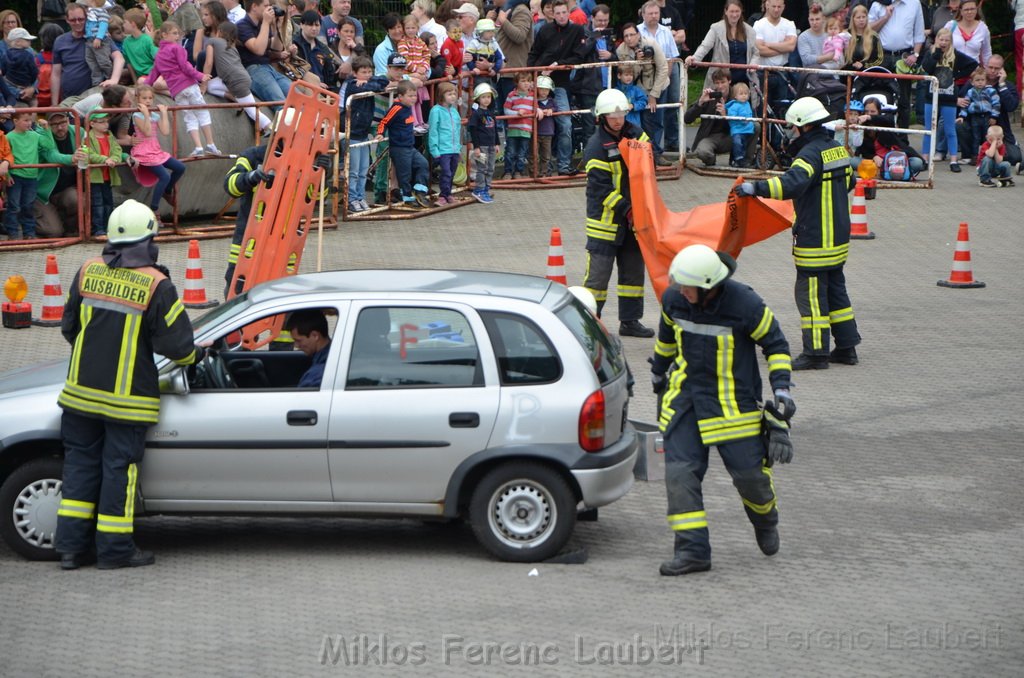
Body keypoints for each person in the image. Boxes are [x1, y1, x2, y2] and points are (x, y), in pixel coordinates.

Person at [55, 200, 203, 571]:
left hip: (79, 395)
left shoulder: (87, 270)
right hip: (127, 404)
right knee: (118, 471)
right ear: (149, 240)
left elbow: (69, 327)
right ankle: (115, 550)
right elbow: (178, 348)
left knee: (79, 468)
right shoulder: (158, 284)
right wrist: (198, 357)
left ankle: (71, 550)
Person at [650, 244, 795, 576]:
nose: (681, 292)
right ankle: (692, 551)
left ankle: (765, 519)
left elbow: (776, 344)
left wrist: (783, 389)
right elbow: (666, 340)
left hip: (734, 405)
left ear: (708, 287)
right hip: (686, 401)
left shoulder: (745, 304)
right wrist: (658, 373)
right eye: (679, 285)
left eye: (688, 287)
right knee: (679, 474)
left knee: (750, 478)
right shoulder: (675, 300)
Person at [736, 97, 860, 370]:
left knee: (811, 296)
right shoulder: (836, 149)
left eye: (793, 126)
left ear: (804, 126)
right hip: (838, 237)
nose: (792, 131)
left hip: (815, 237)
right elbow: (850, 181)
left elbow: (791, 184)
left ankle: (816, 354)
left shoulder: (809, 155)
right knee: (837, 291)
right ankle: (847, 348)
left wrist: (754, 189)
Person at [582, 88, 654, 338]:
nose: (617, 118)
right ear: (602, 117)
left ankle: (630, 322)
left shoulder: (636, 134)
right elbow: (601, 190)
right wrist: (627, 209)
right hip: (606, 222)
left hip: (634, 220)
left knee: (633, 273)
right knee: (598, 279)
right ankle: (590, 324)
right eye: (612, 115)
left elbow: (647, 165)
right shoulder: (596, 147)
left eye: (621, 113)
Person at [527, 0, 589, 176]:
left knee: (565, 123)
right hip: (539, 80)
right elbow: (533, 53)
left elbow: (579, 56)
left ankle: (563, 165)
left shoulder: (577, 30)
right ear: (552, 14)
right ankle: (533, 167)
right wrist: (530, 77)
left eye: (564, 12)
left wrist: (557, 65)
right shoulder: (545, 30)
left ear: (569, 12)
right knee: (530, 121)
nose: (561, 16)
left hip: (560, 83)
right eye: (558, 13)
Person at [142, 20, 220, 157]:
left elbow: (154, 74)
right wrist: (200, 76)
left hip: (177, 91)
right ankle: (210, 144)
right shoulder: (177, 48)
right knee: (202, 112)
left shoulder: (159, 55)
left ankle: (198, 147)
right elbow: (185, 66)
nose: (177, 36)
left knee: (189, 117)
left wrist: (143, 86)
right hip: (189, 85)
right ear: (164, 35)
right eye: (174, 33)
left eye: (178, 33)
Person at [4, 111, 73, 241]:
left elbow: (49, 145)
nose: (29, 123)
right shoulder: (9, 137)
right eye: (25, 120)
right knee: (13, 206)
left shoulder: (35, 135)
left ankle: (29, 233)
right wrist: (7, 175)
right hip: (16, 177)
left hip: (31, 177)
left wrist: (46, 130)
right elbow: (5, 156)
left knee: (28, 205)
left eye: (30, 120)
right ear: (15, 121)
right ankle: (12, 234)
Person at [920, 27, 976, 169]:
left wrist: (955, 76)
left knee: (950, 128)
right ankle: (925, 158)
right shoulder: (930, 53)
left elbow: (972, 64)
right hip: (931, 95)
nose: (944, 42)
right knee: (928, 128)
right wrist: (936, 54)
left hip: (949, 96)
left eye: (947, 40)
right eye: (941, 39)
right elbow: (927, 67)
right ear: (937, 40)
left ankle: (953, 160)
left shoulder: (955, 55)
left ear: (951, 42)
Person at [616, 22, 670, 167]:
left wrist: (654, 95)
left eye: (632, 34)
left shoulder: (651, 43)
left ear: (638, 34)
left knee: (658, 120)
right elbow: (628, 77)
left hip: (659, 85)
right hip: (640, 89)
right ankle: (650, 154)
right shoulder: (621, 50)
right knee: (646, 122)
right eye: (626, 36)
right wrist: (637, 62)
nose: (629, 38)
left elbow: (663, 68)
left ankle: (656, 155)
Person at [206, 21, 273, 135]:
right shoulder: (232, 47)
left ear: (220, 32)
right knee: (211, 86)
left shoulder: (212, 41)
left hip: (235, 81)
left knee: (251, 109)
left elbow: (208, 63)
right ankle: (235, 98)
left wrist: (203, 82)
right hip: (243, 77)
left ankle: (269, 127)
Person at [52, 2, 126, 103]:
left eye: (81, 19)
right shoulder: (60, 41)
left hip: (94, 95)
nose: (77, 23)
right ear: (67, 20)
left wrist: (114, 80)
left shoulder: (99, 37)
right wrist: (54, 103)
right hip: (68, 97)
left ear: (87, 18)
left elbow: (119, 58)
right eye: (73, 20)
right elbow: (56, 74)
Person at [340, 55, 387, 213]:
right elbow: (369, 88)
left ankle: (360, 197)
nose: (367, 74)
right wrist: (369, 83)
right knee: (353, 170)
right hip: (353, 133)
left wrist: (369, 80)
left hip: (363, 133)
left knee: (363, 170)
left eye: (369, 71)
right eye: (363, 72)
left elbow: (383, 82)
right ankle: (352, 199)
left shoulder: (368, 81)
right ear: (355, 73)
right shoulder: (353, 85)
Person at [130, 84, 186, 216]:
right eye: (144, 98)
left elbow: (165, 131)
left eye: (150, 98)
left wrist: (164, 114)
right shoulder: (137, 115)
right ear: (137, 99)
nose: (148, 101)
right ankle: (154, 209)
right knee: (164, 176)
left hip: (155, 149)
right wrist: (145, 114)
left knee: (180, 168)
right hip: (143, 151)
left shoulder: (153, 114)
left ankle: (166, 191)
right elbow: (147, 132)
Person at [868, 0, 925, 131]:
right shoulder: (878, 3)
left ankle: (902, 139)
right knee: (881, 97)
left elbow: (919, 33)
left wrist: (915, 55)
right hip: (882, 56)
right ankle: (881, 136)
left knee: (904, 100)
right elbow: (868, 29)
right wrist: (885, 17)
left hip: (904, 57)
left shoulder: (915, 3)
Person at [375, 80, 432, 208]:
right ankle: (407, 197)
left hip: (409, 147)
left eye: (415, 96)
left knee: (423, 164)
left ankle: (420, 190)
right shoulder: (396, 108)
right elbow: (384, 122)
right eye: (410, 96)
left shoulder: (408, 108)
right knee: (404, 174)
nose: (413, 99)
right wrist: (380, 133)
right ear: (400, 96)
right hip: (399, 148)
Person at [684, 68, 755, 168]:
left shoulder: (739, 94)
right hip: (710, 137)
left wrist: (726, 115)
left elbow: (750, 117)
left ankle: (744, 160)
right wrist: (700, 102)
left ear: (729, 81)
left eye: (723, 82)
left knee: (755, 125)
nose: (720, 86)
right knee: (702, 152)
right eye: (717, 83)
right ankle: (711, 160)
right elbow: (687, 119)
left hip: (733, 134)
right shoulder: (709, 95)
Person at [685, 0, 757, 93]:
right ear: (726, 11)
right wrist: (694, 58)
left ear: (741, 11)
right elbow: (705, 46)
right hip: (721, 79)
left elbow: (756, 52)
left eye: (737, 11)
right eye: (732, 11)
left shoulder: (750, 30)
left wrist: (753, 65)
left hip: (744, 80)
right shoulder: (716, 28)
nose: (734, 15)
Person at [638, 1, 681, 154]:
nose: (654, 16)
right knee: (643, 118)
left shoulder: (666, 32)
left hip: (662, 80)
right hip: (641, 82)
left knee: (659, 118)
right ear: (643, 14)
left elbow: (671, 59)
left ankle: (657, 152)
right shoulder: (636, 32)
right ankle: (643, 151)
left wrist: (662, 82)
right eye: (650, 13)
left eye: (656, 13)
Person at [237, 0, 294, 112]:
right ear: (254, 6)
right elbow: (258, 49)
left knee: (298, 97)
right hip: (254, 70)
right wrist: (266, 23)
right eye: (266, 6)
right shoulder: (241, 25)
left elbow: (276, 47)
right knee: (280, 103)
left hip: (269, 68)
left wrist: (277, 27)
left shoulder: (262, 24)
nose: (270, 9)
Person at [84, 111, 131, 237]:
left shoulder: (109, 135)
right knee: (97, 203)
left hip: (108, 175)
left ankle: (109, 227)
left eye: (106, 121)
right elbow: (89, 154)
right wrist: (104, 159)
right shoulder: (87, 137)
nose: (106, 125)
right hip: (95, 177)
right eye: (102, 122)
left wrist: (115, 159)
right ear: (92, 123)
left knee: (108, 202)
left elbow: (117, 150)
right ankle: (98, 229)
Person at [751, 0, 797, 115]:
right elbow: (760, 50)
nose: (776, 9)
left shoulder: (789, 24)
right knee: (763, 110)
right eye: (774, 6)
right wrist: (782, 47)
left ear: (783, 7)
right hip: (763, 72)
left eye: (779, 7)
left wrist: (769, 44)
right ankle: (764, 134)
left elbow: (791, 47)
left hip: (782, 71)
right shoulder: (759, 24)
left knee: (780, 110)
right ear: (767, 5)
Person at [496, 0, 534, 121]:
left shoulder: (521, 10)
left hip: (513, 73)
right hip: (504, 71)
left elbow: (520, 36)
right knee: (504, 115)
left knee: (513, 117)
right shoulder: (510, 9)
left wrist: (503, 21)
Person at [427, 81, 462, 205]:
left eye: (454, 94)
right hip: (443, 149)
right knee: (445, 172)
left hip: (454, 149)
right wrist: (434, 149)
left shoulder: (454, 111)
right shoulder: (436, 111)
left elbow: (458, 130)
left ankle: (448, 194)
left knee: (452, 172)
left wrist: (459, 148)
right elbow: (433, 131)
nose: (453, 96)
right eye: (449, 94)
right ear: (441, 95)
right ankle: (442, 195)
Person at [957, 67, 999, 163]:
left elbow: (996, 104)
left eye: (982, 80)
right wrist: (962, 116)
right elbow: (965, 105)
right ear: (972, 82)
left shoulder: (990, 91)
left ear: (986, 81)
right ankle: (975, 156)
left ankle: (987, 155)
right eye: (977, 80)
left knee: (987, 136)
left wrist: (994, 116)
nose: (980, 82)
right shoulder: (970, 92)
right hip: (975, 117)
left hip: (987, 117)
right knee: (976, 137)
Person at [467, 82, 498, 202]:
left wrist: (496, 143)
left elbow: (494, 129)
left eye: (488, 97)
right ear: (478, 99)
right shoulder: (476, 114)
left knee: (490, 168)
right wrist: (477, 147)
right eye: (483, 97)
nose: (486, 100)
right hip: (482, 146)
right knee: (482, 168)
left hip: (491, 145)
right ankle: (478, 190)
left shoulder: (491, 113)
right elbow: (473, 130)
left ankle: (486, 188)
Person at [285, 309, 332, 387]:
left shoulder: (315, 378)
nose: (296, 345)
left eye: (298, 340)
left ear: (315, 336)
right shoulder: (329, 358)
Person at [503, 71, 535, 179]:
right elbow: (506, 110)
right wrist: (516, 113)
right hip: (513, 129)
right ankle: (508, 172)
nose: (526, 83)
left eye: (528, 81)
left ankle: (518, 172)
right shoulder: (511, 95)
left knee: (522, 153)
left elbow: (535, 109)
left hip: (526, 129)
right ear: (517, 83)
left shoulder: (532, 96)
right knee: (510, 152)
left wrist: (539, 111)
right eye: (523, 81)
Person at [943, 0, 990, 70]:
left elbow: (986, 53)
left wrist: (988, 71)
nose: (969, 12)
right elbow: (940, 45)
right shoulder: (950, 26)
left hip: (974, 72)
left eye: (972, 9)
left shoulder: (983, 28)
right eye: (966, 10)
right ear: (961, 11)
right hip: (952, 70)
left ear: (976, 10)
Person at [2, 27, 40, 105]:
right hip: (25, 85)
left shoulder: (5, 55)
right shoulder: (28, 55)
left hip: (11, 88)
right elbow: (34, 71)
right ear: (18, 42)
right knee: (34, 102)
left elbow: (3, 70)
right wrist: (31, 83)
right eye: (27, 40)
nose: (30, 42)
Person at [841, 4, 884, 72]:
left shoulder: (874, 36)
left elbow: (879, 59)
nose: (861, 20)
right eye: (858, 17)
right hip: (847, 73)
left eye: (864, 17)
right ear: (853, 19)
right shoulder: (845, 34)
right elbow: (840, 55)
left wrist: (863, 65)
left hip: (866, 74)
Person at [84, 0, 114, 87]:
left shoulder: (101, 11)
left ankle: (110, 78)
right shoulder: (90, 11)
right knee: (91, 61)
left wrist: (99, 37)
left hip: (98, 40)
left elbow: (103, 24)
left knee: (103, 61)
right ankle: (96, 82)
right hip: (89, 39)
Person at [725, 81, 754, 167]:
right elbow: (731, 117)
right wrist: (742, 120)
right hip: (737, 129)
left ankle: (741, 159)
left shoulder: (747, 104)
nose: (744, 96)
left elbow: (749, 114)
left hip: (746, 129)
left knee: (744, 145)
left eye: (746, 93)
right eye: (741, 94)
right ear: (735, 96)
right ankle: (738, 159)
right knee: (737, 143)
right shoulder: (734, 106)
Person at [535, 74, 556, 175]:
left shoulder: (551, 101)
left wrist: (551, 110)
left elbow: (556, 108)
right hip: (536, 132)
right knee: (534, 154)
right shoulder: (534, 102)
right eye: (541, 89)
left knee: (546, 155)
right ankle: (534, 173)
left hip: (548, 132)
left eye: (546, 90)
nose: (544, 92)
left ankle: (544, 173)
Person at [615, 64, 647, 130]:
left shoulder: (636, 90)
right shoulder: (615, 91)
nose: (629, 77)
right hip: (619, 124)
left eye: (631, 75)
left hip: (634, 124)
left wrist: (633, 105)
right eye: (626, 75)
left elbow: (644, 101)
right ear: (619, 76)